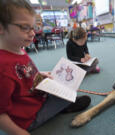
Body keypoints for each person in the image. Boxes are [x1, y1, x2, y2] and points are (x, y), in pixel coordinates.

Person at [0, 0, 91, 135]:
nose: (32, 33)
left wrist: (39, 75)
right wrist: (19, 133)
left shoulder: (18, 48)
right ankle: (62, 108)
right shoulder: (3, 67)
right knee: (68, 96)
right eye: (25, 27)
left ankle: (59, 104)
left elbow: (22, 74)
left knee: (66, 86)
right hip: (28, 118)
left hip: (37, 96)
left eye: (34, 28)